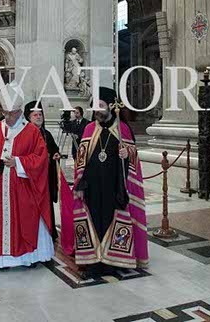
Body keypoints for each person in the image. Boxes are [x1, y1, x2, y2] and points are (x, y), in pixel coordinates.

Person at [63, 87, 148, 278]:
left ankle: (113, 261)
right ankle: (93, 262)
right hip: (92, 188)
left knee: (113, 221)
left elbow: (134, 160)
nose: (97, 110)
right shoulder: (89, 129)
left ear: (110, 106)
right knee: (93, 222)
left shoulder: (123, 129)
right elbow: (81, 161)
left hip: (115, 187)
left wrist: (127, 153)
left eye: (100, 106)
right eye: (94, 106)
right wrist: (80, 185)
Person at [0, 82, 54, 273]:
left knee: (25, 220)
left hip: (23, 188)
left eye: (11, 113)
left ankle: (30, 257)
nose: (7, 117)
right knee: (0, 221)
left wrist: (19, 162)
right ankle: (0, 261)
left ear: (20, 111)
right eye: (5, 113)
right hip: (0, 189)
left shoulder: (32, 131)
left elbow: (41, 159)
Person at [24, 100, 60, 242]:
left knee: (47, 204)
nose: (39, 117)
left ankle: (50, 231)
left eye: (40, 114)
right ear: (28, 118)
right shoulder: (25, 135)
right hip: (32, 178)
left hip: (46, 177)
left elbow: (54, 149)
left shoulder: (47, 134)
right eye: (35, 115)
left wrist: (56, 154)